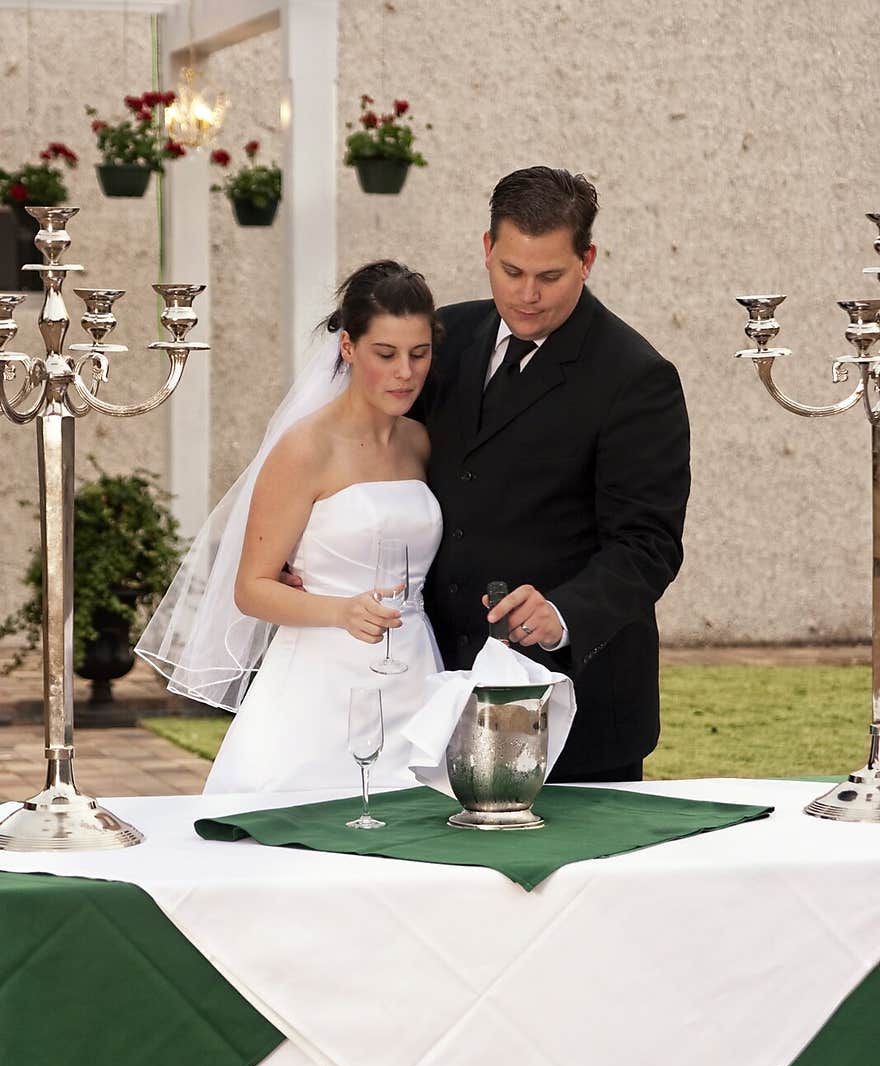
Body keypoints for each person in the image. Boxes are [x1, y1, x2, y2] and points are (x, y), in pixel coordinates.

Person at [417, 166, 691, 782]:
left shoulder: (636, 377)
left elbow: (648, 545)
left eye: (550, 276)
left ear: (587, 259)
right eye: (511, 272)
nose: (527, 295)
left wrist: (563, 613)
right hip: (433, 690)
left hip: (577, 709)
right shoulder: (441, 340)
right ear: (487, 248)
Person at [136, 261, 445, 795]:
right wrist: (341, 611)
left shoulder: (419, 442)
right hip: (320, 684)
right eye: (386, 354)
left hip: (415, 674)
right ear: (348, 347)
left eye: (419, 354)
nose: (405, 372)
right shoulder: (305, 448)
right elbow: (251, 589)